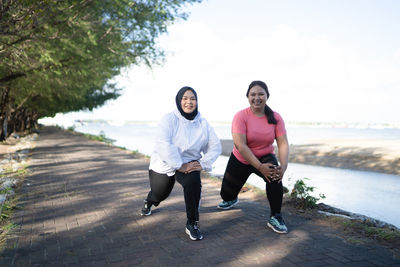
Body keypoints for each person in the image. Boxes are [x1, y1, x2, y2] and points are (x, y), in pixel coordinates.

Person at [140, 86, 221, 241]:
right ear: (178, 100)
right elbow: (163, 144)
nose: (189, 102)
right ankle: (149, 201)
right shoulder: (169, 119)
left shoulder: (203, 123)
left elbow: (215, 145)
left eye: (192, 99)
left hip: (189, 163)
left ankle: (192, 223)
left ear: (197, 102)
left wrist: (203, 163)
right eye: (185, 98)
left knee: (193, 184)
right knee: (160, 194)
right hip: (165, 162)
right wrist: (179, 165)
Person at [217, 80, 290, 234]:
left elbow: (283, 143)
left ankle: (275, 216)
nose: (257, 98)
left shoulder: (276, 117)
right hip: (241, 159)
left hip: (265, 156)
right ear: (248, 97)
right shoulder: (240, 116)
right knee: (226, 195)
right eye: (253, 94)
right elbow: (240, 145)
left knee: (275, 175)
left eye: (261, 94)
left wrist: (283, 167)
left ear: (267, 96)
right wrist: (258, 167)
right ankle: (231, 198)